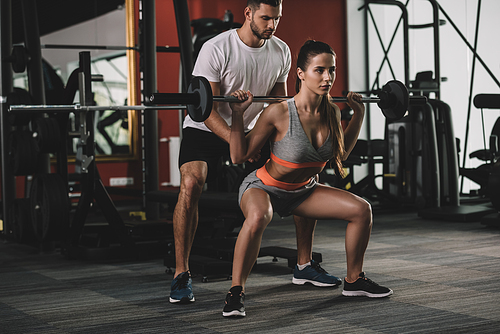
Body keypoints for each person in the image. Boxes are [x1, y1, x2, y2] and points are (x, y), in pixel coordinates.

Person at [170, 1, 341, 304]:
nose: (272, 25)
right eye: (266, 18)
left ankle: (304, 265)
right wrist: (243, 144)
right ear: (248, 14)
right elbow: (205, 107)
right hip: (207, 126)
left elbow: (279, 100)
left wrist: (267, 139)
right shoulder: (216, 47)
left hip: (254, 125)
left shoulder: (281, 51)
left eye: (277, 19)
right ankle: (181, 273)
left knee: (299, 170)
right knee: (192, 182)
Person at [222, 40, 393, 317]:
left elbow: (341, 154)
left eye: (332, 70)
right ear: (301, 74)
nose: (328, 78)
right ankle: (235, 292)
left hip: (303, 191)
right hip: (264, 187)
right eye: (319, 70)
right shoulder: (278, 112)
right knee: (257, 218)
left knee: (362, 209)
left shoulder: (332, 112)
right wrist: (238, 115)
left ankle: (354, 280)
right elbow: (239, 156)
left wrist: (359, 114)